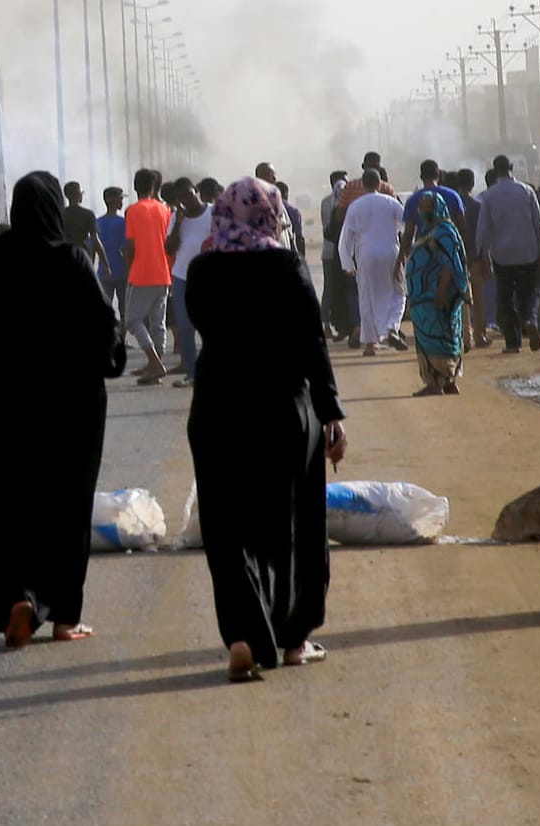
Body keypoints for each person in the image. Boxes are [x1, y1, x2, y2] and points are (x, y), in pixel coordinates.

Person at [185, 177, 347, 681]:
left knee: (227, 525)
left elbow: (199, 327)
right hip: (282, 409)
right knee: (292, 523)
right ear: (270, 214)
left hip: (218, 408)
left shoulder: (203, 269)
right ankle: (294, 638)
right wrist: (331, 412)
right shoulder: (286, 266)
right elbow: (311, 342)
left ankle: (242, 636)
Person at [0, 170, 125, 649]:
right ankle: (63, 616)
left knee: (6, 507)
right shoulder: (71, 261)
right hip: (69, 412)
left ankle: (16, 598)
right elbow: (103, 328)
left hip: (2, 407)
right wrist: (109, 358)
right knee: (65, 508)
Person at [476, 155, 540, 354]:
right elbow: (539, 224)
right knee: (530, 293)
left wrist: (483, 255)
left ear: (495, 169)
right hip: (528, 253)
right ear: (511, 168)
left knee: (505, 298)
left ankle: (513, 343)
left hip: (502, 256)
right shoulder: (527, 191)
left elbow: (483, 230)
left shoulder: (489, 196)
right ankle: (529, 320)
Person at [405, 193, 470, 396]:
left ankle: (437, 382)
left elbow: (451, 264)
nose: (424, 211)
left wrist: (441, 290)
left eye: (427, 207)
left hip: (437, 296)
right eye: (421, 207)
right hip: (426, 297)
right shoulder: (430, 230)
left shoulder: (444, 231)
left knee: (439, 336)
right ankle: (447, 380)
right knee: (443, 335)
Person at [338, 169, 407, 356]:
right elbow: (408, 226)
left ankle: (370, 345)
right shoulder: (391, 202)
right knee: (398, 293)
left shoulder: (355, 206)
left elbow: (346, 238)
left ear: (363, 184)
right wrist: (409, 250)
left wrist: (348, 264)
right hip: (391, 252)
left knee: (367, 297)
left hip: (366, 254)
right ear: (379, 184)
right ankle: (392, 327)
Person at [123, 168, 173, 385]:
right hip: (163, 271)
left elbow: (131, 245)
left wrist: (128, 263)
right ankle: (155, 364)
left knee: (133, 319)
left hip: (142, 272)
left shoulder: (133, 210)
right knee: (157, 322)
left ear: (135, 187)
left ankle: (154, 361)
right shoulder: (165, 209)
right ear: (155, 187)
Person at [164, 177, 212, 387]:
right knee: (184, 326)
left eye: (189, 194)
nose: (187, 200)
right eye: (182, 197)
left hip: (208, 276)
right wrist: (179, 224)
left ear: (196, 191)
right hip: (182, 276)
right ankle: (192, 373)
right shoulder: (177, 217)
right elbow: (169, 249)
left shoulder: (213, 212)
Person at [395, 159, 467, 281]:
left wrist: (399, 261)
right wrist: (466, 256)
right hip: (449, 253)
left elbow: (408, 234)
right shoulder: (453, 196)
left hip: (424, 255)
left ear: (421, 176)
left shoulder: (413, 200)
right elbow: (463, 228)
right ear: (438, 175)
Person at [321, 171, 358, 346]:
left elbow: (328, 232)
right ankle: (350, 327)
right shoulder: (351, 207)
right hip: (347, 256)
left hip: (339, 257)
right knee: (345, 290)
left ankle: (349, 328)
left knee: (342, 290)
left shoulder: (340, 208)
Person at [455, 169, 491, 350]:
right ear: (472, 184)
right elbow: (483, 235)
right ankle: (480, 335)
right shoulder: (478, 205)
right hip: (475, 256)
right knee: (478, 297)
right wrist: (487, 258)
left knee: (460, 298)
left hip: (456, 258)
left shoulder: (452, 204)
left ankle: (463, 336)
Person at [97, 186, 128, 325]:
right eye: (120, 199)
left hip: (103, 272)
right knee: (124, 308)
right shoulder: (123, 223)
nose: (122, 202)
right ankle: (121, 338)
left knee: (104, 308)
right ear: (113, 201)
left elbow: (92, 247)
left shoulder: (98, 222)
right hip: (122, 271)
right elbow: (125, 248)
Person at [62, 180, 111, 271]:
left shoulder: (60, 215)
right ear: (78, 194)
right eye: (81, 192)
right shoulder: (87, 214)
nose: (82, 194)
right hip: (83, 259)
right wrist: (105, 264)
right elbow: (95, 241)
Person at [336, 151, 400, 218]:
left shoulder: (350, 186)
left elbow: (340, 213)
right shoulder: (386, 188)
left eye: (374, 167)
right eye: (370, 167)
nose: (372, 170)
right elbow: (397, 213)